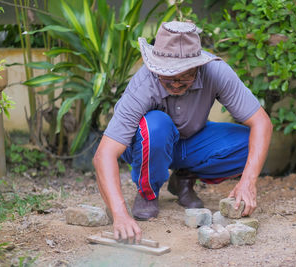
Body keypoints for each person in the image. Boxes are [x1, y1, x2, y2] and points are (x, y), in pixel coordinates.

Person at [93, 21, 272, 243]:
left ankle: (184, 179)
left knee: (250, 144)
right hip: (146, 144)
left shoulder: (215, 72)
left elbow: (262, 124)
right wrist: (119, 215)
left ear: (198, 66)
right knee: (156, 125)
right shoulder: (144, 82)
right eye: (167, 76)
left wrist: (248, 182)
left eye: (184, 76)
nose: (176, 84)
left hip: (190, 141)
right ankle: (148, 191)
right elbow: (104, 154)